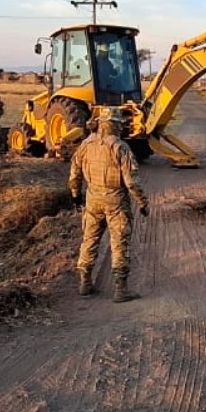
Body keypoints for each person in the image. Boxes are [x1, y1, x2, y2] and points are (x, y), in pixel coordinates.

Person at [69, 109, 149, 303]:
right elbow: (132, 182)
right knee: (119, 242)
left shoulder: (85, 145)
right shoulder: (120, 148)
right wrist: (142, 203)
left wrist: (75, 196)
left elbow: (74, 175)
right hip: (116, 202)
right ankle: (121, 290)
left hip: (92, 199)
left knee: (89, 239)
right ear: (115, 124)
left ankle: (85, 283)